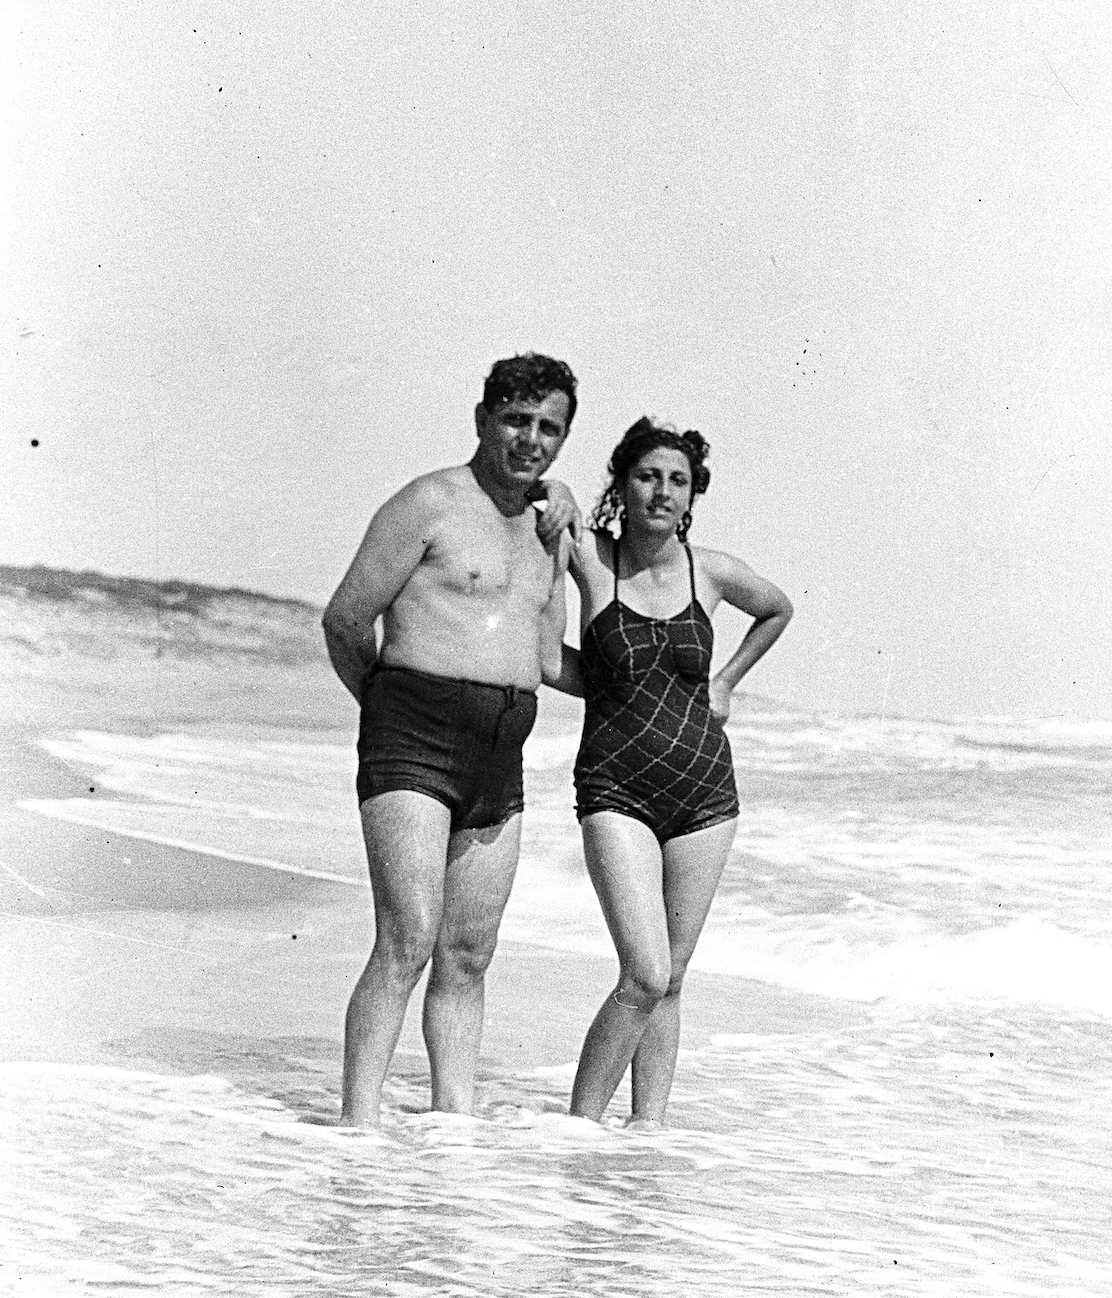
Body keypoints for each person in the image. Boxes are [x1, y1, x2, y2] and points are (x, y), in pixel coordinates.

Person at [322, 353, 582, 1125]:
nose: (530, 439)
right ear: (482, 418)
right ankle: (357, 1126)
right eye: (516, 420)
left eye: (549, 428)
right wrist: (387, 709)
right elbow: (344, 618)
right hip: (412, 736)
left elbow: (544, 656)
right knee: (408, 936)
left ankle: (451, 1126)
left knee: (469, 955)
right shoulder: (428, 503)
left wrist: (653, 680)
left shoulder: (550, 530)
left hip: (500, 755)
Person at [547, 419, 793, 1126]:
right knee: (645, 972)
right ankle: (578, 1131)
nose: (662, 490)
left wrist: (727, 682)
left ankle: (648, 1132)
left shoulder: (707, 570)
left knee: (672, 978)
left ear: (693, 496)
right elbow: (544, 511)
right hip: (615, 788)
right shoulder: (593, 559)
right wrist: (598, 677)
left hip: (707, 795)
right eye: (648, 475)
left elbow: (778, 608)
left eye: (678, 480)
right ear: (621, 483)